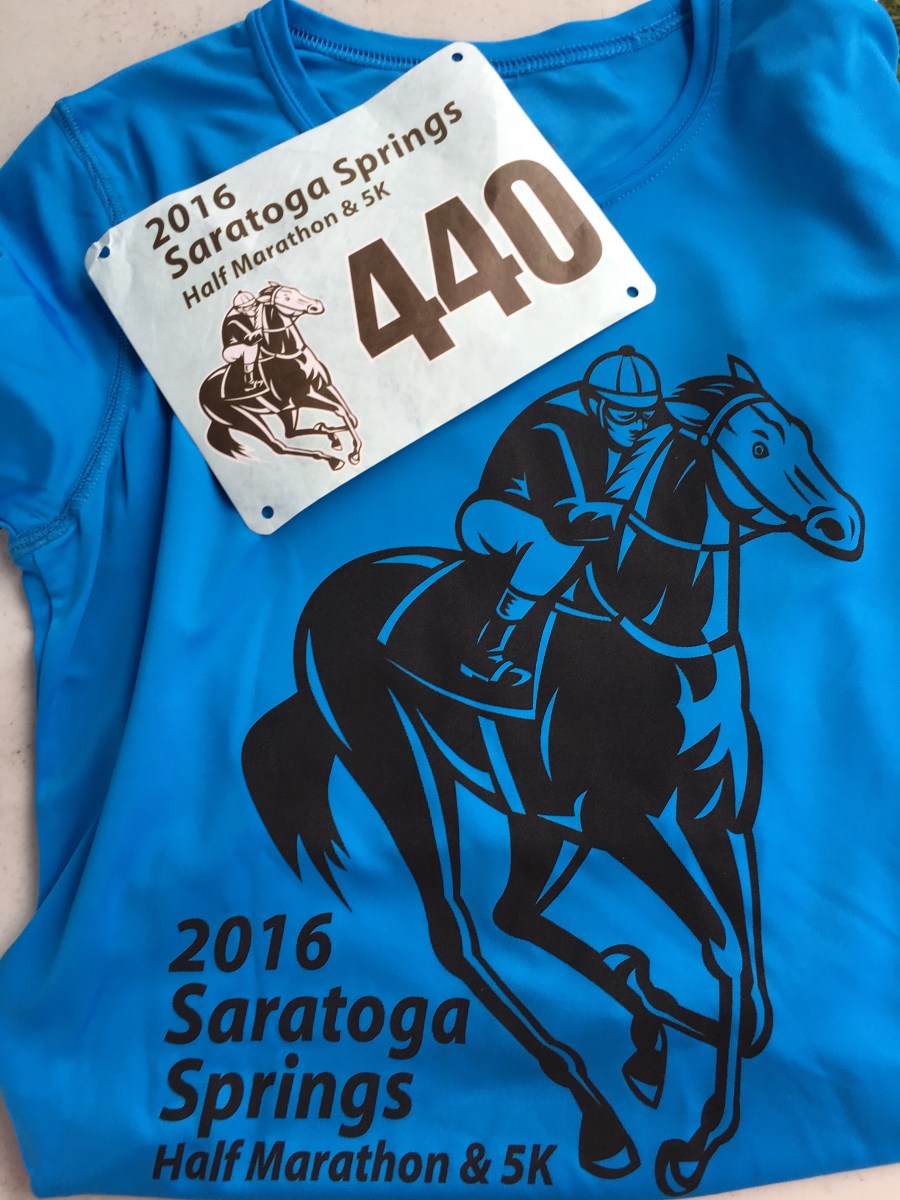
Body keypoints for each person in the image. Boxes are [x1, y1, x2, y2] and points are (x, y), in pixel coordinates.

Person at [458, 345, 662, 688]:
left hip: (564, 516)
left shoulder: (625, 430)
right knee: (557, 546)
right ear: (596, 404)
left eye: (647, 415)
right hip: (492, 515)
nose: (639, 427)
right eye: (626, 416)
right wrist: (639, 517)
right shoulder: (550, 429)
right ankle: (488, 648)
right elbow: (568, 523)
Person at [220, 290, 266, 396]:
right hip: (231, 350)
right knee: (250, 347)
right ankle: (249, 382)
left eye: (255, 304)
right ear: (239, 309)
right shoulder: (233, 321)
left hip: (244, 344)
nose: (254, 308)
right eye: (249, 307)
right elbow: (251, 339)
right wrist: (259, 321)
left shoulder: (247, 313)